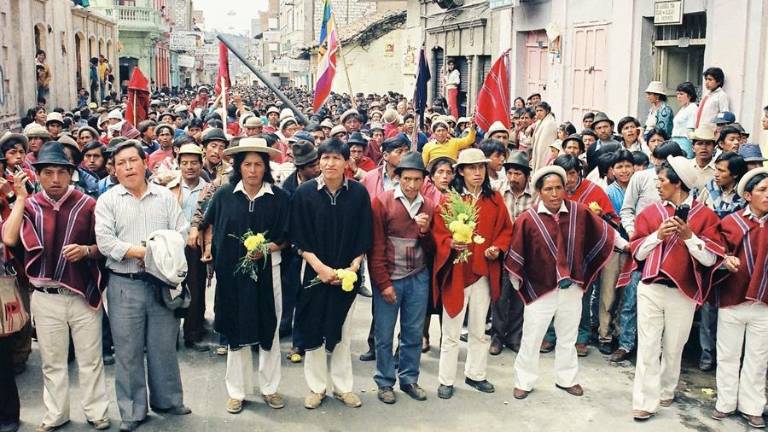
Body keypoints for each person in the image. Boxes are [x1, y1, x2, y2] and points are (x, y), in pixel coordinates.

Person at [2, 143, 109, 432]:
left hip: (82, 294)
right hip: (45, 295)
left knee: (90, 359)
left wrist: (86, 251)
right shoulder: (31, 204)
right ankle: (55, 414)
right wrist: (21, 198)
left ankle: (96, 411)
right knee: (52, 362)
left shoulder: (88, 205)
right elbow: (10, 238)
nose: (55, 179)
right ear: (37, 175)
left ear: (71, 174)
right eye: (47, 172)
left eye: (61, 172)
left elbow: (105, 247)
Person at [94, 140, 191, 431]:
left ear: (144, 162)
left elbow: (181, 233)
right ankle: (133, 410)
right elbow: (105, 242)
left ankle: (169, 400)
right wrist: (143, 252)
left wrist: (157, 253)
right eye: (120, 163)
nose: (127, 167)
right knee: (128, 350)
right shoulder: (108, 201)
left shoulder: (164, 197)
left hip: (162, 283)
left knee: (163, 346)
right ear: (114, 168)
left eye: (132, 161)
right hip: (125, 285)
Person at [506, 165, 623, 400]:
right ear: (539, 191)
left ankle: (566, 378)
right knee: (532, 336)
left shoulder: (579, 212)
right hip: (540, 289)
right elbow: (516, 253)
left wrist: (627, 246)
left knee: (567, 336)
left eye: (558, 187)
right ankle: (524, 381)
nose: (554, 193)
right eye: (548, 189)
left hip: (572, 287)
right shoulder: (527, 220)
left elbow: (605, 232)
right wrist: (518, 284)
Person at [624, 156, 723, 422]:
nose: (657, 185)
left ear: (678, 183)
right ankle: (645, 400)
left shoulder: (705, 216)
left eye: (662, 180)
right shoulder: (652, 213)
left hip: (683, 291)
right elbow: (638, 252)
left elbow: (711, 259)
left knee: (673, 346)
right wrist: (658, 235)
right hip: (651, 287)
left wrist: (690, 237)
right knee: (648, 345)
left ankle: (667, 388)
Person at [200, 137, 289, 413]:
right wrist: (207, 249)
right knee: (235, 329)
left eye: (258, 165)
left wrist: (266, 248)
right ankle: (237, 391)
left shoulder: (279, 198)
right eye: (247, 164)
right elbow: (207, 223)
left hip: (268, 270)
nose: (252, 170)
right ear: (239, 167)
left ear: (266, 167)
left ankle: (270, 388)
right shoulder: (225, 195)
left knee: (269, 328)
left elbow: (286, 237)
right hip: (232, 274)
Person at [289, 138, 373, 410]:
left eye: (336, 158)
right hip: (315, 272)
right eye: (325, 158)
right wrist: (320, 268)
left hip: (347, 275)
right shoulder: (304, 193)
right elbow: (298, 237)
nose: (330, 163)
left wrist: (353, 266)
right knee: (313, 328)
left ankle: (342, 387)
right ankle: (317, 387)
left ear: (347, 162)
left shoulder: (358, 194)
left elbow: (364, 234)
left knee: (343, 332)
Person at [432, 148, 513, 399]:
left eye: (480, 167)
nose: (477, 172)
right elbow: (438, 233)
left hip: (483, 273)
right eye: (471, 168)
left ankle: (476, 374)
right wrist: (449, 244)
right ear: (461, 172)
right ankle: (445, 379)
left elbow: (506, 231)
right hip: (457, 271)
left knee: (479, 330)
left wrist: (497, 248)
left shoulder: (495, 199)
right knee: (451, 330)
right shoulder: (450, 199)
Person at [369, 152, 434, 404]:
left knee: (413, 333)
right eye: (407, 178)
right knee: (384, 334)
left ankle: (409, 378)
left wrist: (425, 232)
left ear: (423, 180)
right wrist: (383, 283)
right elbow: (375, 246)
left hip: (418, 276)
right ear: (398, 178)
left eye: (417, 179)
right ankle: (385, 381)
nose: (411, 185)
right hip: (390, 276)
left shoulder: (428, 205)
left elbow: (432, 249)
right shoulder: (382, 202)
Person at [713, 168, 768, 428]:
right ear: (747, 195)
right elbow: (716, 254)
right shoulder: (731, 223)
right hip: (732, 298)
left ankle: (752, 406)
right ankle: (725, 402)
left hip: (764, 302)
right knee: (728, 354)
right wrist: (725, 261)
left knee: (758, 358)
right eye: (762, 190)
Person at [164, 145, 210, 352]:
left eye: (194, 163)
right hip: (172, 244)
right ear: (178, 164)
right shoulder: (169, 187)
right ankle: (170, 334)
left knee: (196, 288)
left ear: (201, 164)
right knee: (171, 289)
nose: (189, 167)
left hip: (196, 246)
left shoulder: (209, 188)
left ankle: (193, 333)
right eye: (184, 163)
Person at [280, 141, 321, 363]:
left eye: (317, 163)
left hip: (316, 249)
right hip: (291, 251)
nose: (318, 168)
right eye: (312, 165)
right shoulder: (287, 189)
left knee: (309, 297)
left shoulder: (322, 185)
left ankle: (302, 341)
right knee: (290, 294)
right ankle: (287, 328)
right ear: (300, 168)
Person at [490, 152, 534, 356]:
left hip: (526, 252)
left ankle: (514, 337)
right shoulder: (497, 190)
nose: (513, 178)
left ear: (526, 175)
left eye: (518, 173)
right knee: (500, 296)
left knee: (519, 296)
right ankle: (497, 338)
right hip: (502, 249)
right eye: (510, 173)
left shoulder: (535, 194)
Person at [671, 82, 698, 158]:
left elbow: (691, 129)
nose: (678, 97)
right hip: (675, 140)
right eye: (677, 94)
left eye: (681, 94)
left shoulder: (693, 108)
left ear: (689, 95)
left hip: (685, 141)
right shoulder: (682, 109)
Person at [689, 127, 717, 195]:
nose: (704, 147)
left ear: (714, 148)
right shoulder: (686, 166)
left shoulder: (719, 169)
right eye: (700, 143)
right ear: (693, 148)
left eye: (708, 143)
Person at [530, 102, 558, 173]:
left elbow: (544, 146)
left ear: (547, 111)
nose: (538, 113)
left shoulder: (549, 123)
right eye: (537, 111)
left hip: (544, 155)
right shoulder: (541, 121)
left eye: (541, 110)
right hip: (537, 153)